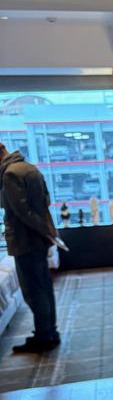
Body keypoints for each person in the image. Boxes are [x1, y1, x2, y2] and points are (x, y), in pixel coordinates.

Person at [0, 143, 60, 353]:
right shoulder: (29, 168)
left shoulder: (10, 174)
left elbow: (21, 212)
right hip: (38, 239)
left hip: (25, 240)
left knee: (33, 291)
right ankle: (50, 332)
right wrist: (47, 230)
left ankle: (44, 337)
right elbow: (45, 201)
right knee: (44, 287)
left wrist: (43, 229)